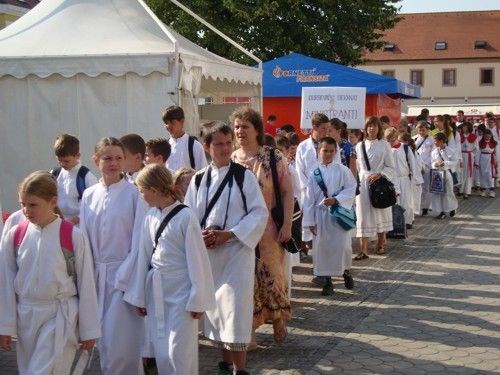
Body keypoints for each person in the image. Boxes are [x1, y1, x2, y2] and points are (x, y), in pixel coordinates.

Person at [184, 122, 268, 375]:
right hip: (209, 254)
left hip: (236, 253)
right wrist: (200, 235)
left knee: (235, 310)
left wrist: (229, 234)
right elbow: (188, 216)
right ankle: (224, 363)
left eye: (228, 142)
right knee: (216, 311)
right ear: (207, 147)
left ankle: (239, 369)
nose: (224, 148)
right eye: (218, 143)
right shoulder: (199, 179)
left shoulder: (244, 176)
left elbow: (258, 213)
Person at [0, 171, 100, 374]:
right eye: (23, 204)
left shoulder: (71, 235)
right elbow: (5, 282)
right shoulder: (15, 234)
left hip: (59, 315)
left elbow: (86, 282)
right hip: (26, 317)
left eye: (33, 204)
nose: (26, 210)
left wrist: (89, 329)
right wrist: (5, 326)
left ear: (53, 201)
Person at [124, 164, 215, 375]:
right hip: (157, 291)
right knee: (162, 351)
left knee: (179, 352)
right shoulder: (150, 217)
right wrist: (140, 297)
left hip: (182, 293)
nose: (141, 196)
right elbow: (144, 257)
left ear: (154, 190)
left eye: (142, 191)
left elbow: (197, 260)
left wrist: (197, 298)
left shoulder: (185, 216)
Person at [80, 137, 148, 374]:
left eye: (119, 158)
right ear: (96, 160)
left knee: (123, 344)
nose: (114, 163)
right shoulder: (89, 195)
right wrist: (86, 277)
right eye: (107, 158)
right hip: (96, 276)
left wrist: (124, 278)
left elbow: (140, 240)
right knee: (104, 344)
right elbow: (84, 239)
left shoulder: (134, 194)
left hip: (124, 279)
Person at [231, 107, 293, 345]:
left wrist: (287, 224)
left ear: (257, 129)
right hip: (241, 231)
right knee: (246, 278)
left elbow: (288, 192)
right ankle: (250, 331)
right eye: (237, 126)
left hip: (269, 230)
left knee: (273, 276)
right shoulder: (233, 159)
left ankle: (278, 319)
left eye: (245, 126)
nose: (240, 131)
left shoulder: (272, 157)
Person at [302, 137, 357, 296]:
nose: (327, 154)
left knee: (343, 247)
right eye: (324, 150)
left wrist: (336, 200)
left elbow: (351, 188)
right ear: (318, 151)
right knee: (322, 249)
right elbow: (309, 199)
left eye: (331, 151)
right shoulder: (314, 173)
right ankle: (327, 282)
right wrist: (310, 221)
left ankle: (346, 271)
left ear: (336, 152)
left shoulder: (343, 170)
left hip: (338, 215)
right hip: (321, 217)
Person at [354, 116, 396, 260]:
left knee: (380, 211)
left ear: (379, 128)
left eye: (375, 126)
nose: (372, 128)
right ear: (365, 128)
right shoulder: (359, 146)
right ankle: (363, 249)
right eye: (369, 126)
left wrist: (380, 174)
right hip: (364, 184)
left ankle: (381, 243)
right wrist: (363, 178)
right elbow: (358, 167)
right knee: (363, 215)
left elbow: (391, 166)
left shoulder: (384, 145)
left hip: (380, 182)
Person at [295, 113, 330, 261]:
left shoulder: (331, 146)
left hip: (327, 193)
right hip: (309, 194)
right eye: (323, 128)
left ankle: (326, 264)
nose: (327, 132)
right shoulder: (303, 147)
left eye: (328, 128)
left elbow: (337, 168)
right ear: (314, 127)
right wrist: (309, 188)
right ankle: (313, 259)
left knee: (326, 231)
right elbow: (299, 171)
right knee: (311, 229)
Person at [51, 133, 98, 225]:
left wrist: (73, 221)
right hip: (57, 224)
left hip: (79, 227)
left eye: (66, 161)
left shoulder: (86, 177)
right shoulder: (54, 174)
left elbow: (94, 207)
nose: (62, 164)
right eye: (59, 160)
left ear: (78, 155)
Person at [385, 127, 417, 228]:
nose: (390, 142)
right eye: (388, 140)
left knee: (406, 201)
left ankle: (407, 221)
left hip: (404, 178)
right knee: (393, 202)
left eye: (392, 140)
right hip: (391, 179)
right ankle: (394, 223)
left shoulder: (405, 148)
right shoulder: (386, 149)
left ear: (396, 137)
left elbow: (413, 164)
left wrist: (415, 180)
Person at [162, 106, 207, 172]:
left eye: (172, 122)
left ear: (182, 121)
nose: (168, 126)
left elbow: (203, 172)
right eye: (166, 123)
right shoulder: (165, 146)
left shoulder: (194, 145)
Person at [430, 133, 459, 219]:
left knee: (448, 192)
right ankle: (440, 211)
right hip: (437, 174)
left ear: (442, 141)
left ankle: (452, 208)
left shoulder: (450, 150)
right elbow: (431, 162)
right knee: (438, 193)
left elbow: (455, 161)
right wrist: (435, 164)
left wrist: (445, 163)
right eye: (434, 141)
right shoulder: (434, 152)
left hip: (446, 172)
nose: (435, 143)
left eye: (436, 141)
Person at [413, 121, 434, 215]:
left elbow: (433, 154)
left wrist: (428, 164)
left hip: (427, 166)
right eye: (420, 130)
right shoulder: (415, 139)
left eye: (423, 130)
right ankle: (418, 207)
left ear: (428, 130)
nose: (421, 132)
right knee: (417, 187)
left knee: (426, 187)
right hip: (417, 166)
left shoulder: (432, 139)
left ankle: (425, 207)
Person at [459, 122, 479, 199]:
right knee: (461, 173)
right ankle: (461, 189)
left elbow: (476, 148)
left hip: (469, 155)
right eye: (463, 127)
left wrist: (471, 155)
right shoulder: (459, 136)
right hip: (461, 155)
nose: (463, 128)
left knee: (468, 174)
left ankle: (467, 191)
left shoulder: (473, 136)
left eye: (465, 127)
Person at [478, 129, 497, 197]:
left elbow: (496, 152)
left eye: (489, 135)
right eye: (486, 135)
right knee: (483, 174)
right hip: (483, 159)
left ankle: (491, 191)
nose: (488, 137)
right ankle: (484, 190)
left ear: (491, 135)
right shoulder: (480, 143)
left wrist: (496, 161)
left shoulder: (494, 143)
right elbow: (478, 153)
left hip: (491, 159)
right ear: (484, 136)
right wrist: (477, 162)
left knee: (490, 174)